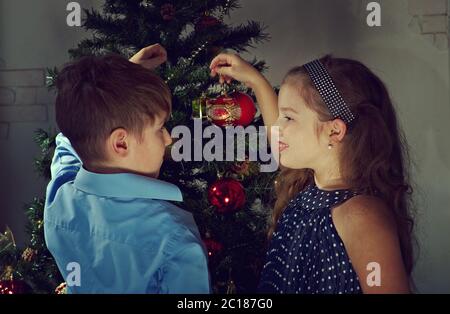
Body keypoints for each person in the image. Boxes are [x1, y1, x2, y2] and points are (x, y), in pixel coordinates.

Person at [210, 53, 414, 294]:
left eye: (288, 118)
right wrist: (255, 81)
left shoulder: (360, 215)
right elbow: (277, 139)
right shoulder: (308, 186)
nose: (277, 128)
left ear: (334, 132)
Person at [44, 45, 210, 293]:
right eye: (160, 128)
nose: (167, 139)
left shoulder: (59, 199)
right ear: (121, 142)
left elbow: (72, 139)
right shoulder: (172, 235)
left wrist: (120, 82)